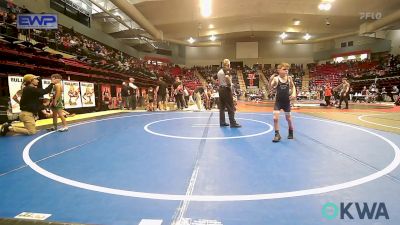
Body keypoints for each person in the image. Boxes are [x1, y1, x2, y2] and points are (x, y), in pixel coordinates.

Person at [269, 63, 296, 142]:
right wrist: (270, 80)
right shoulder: (276, 79)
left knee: (289, 119)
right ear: (278, 70)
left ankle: (290, 131)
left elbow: (293, 86)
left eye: (287, 69)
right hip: (278, 102)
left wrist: (294, 93)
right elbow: (270, 88)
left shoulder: (289, 78)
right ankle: (277, 135)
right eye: (284, 69)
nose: (286, 71)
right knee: (275, 118)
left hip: (286, 102)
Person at [217, 59, 241, 128]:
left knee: (222, 107)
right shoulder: (226, 69)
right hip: (226, 89)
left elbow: (213, 78)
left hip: (220, 89)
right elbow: (227, 77)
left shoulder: (219, 71)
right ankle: (233, 123)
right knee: (230, 106)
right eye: (229, 63)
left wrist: (220, 83)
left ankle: (222, 122)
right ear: (227, 64)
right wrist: (229, 84)